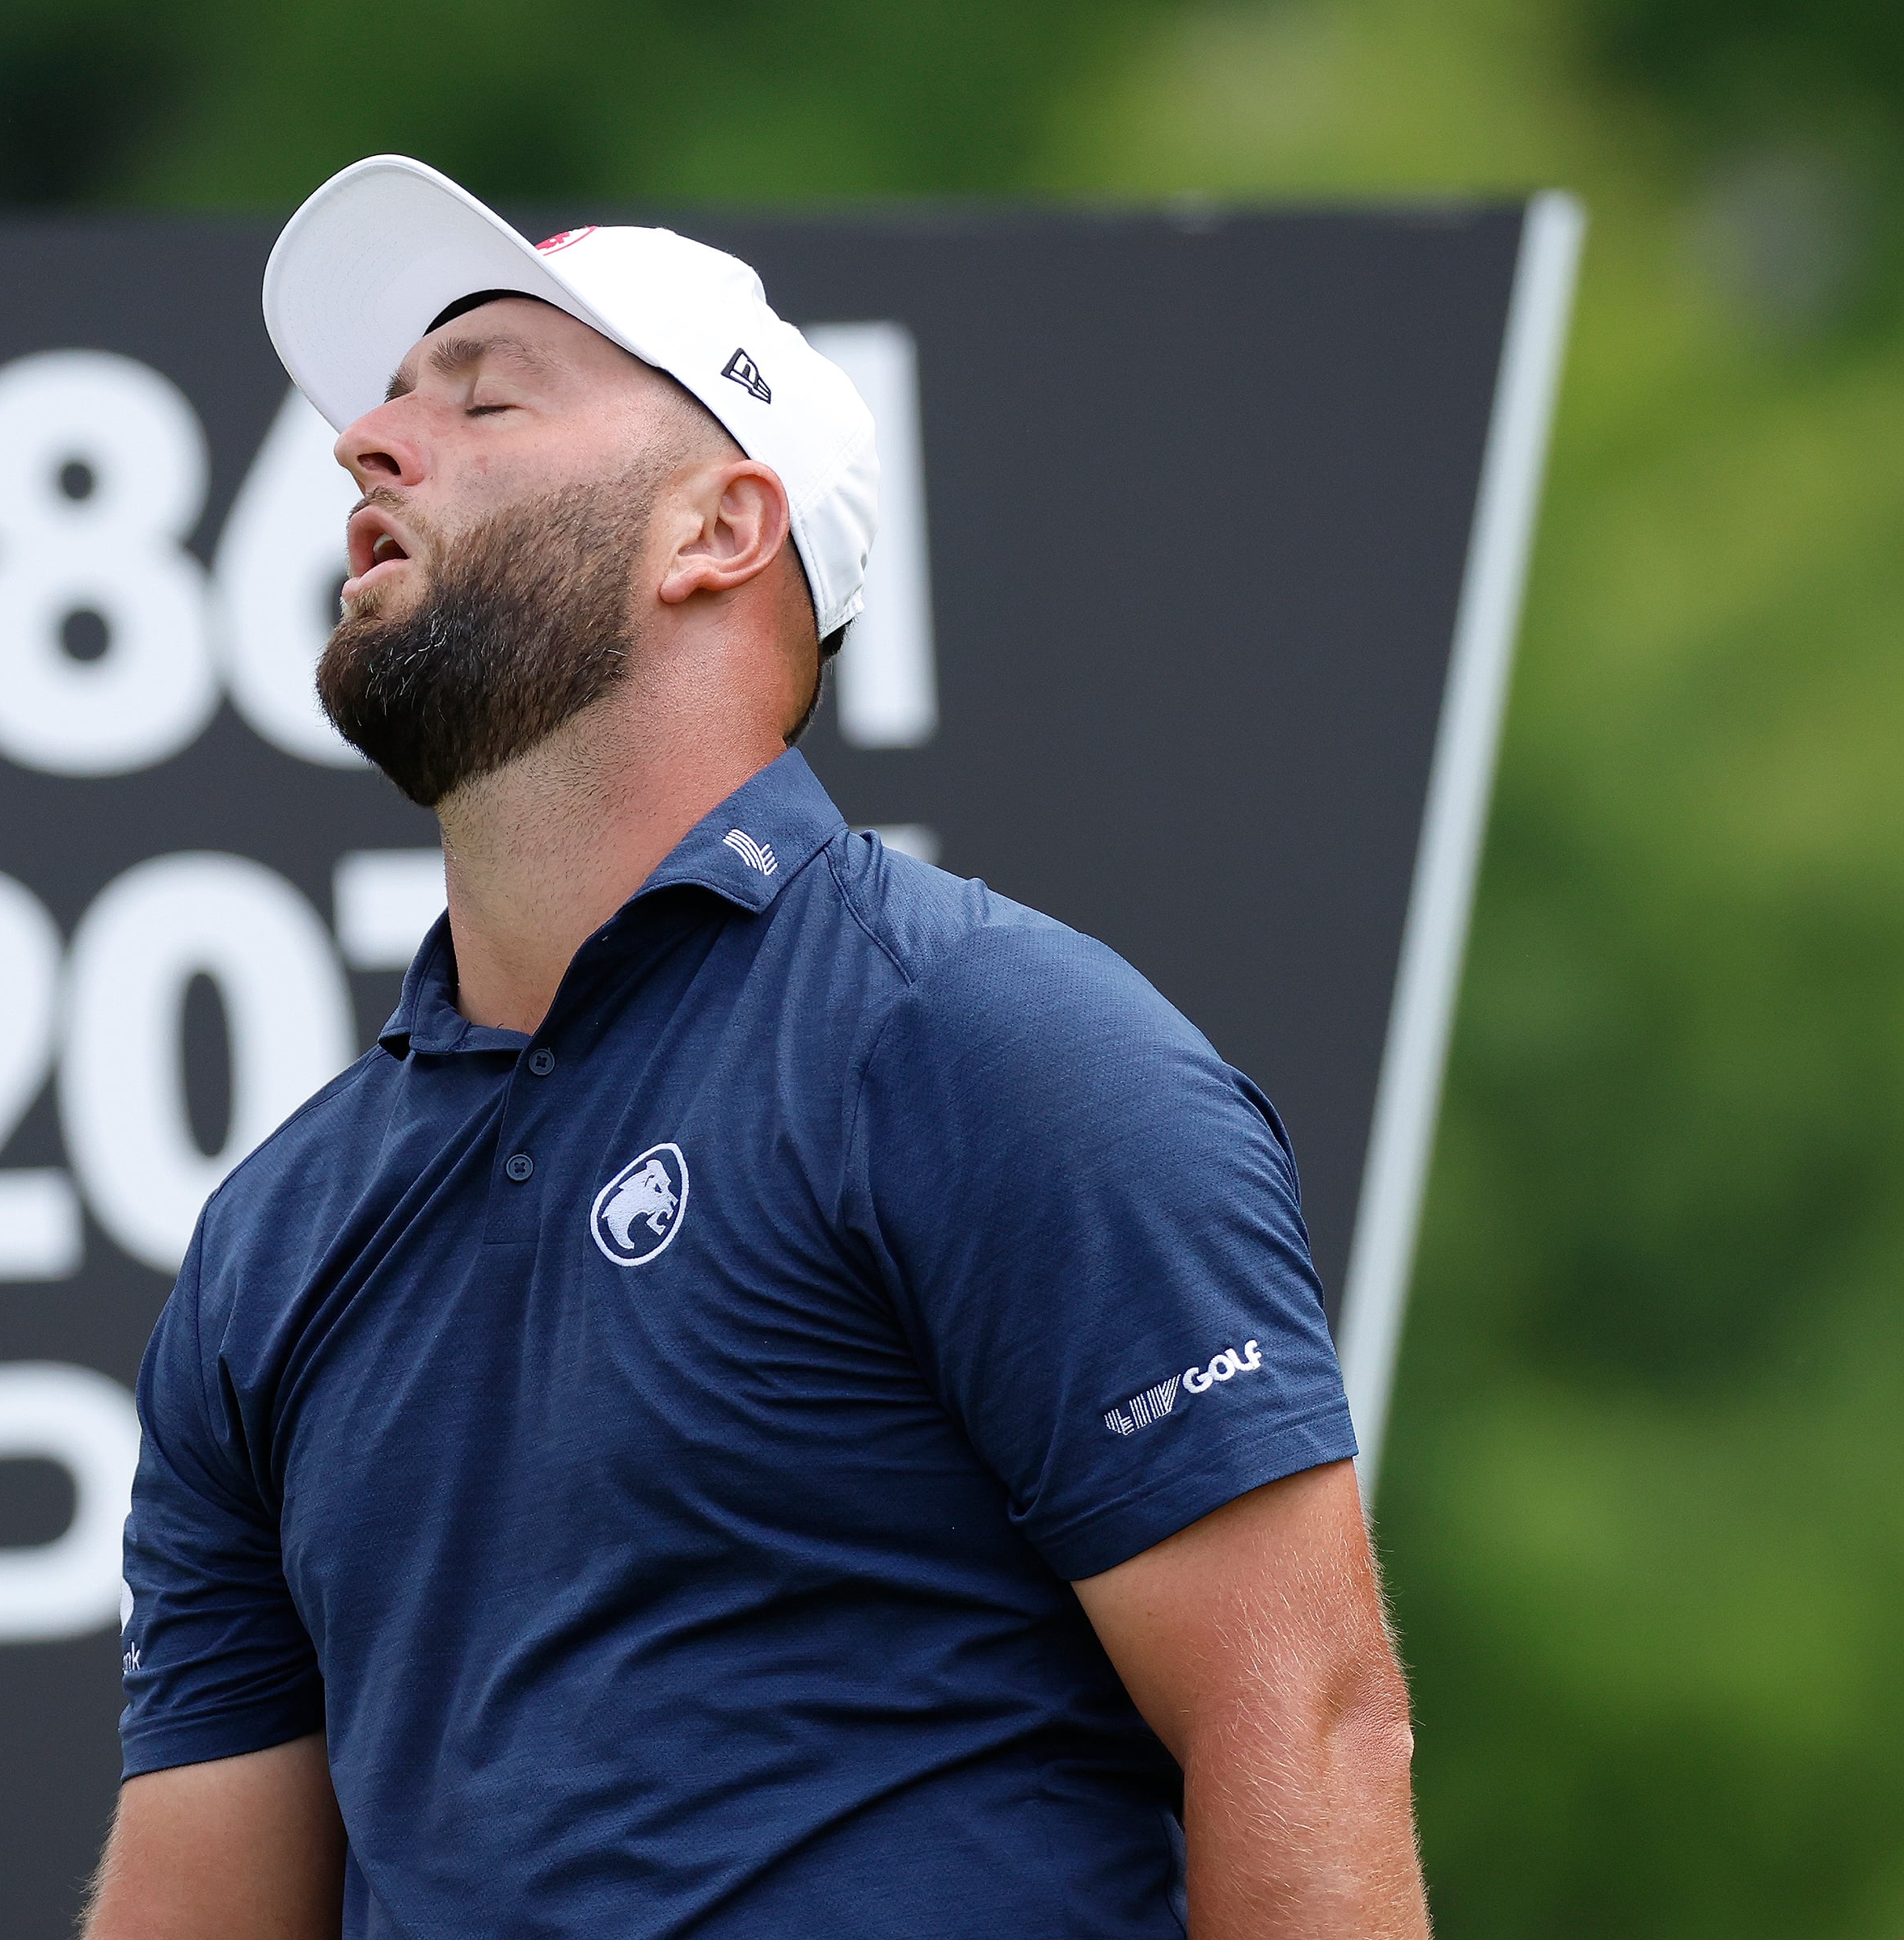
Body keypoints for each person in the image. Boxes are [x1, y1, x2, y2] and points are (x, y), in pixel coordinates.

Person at [82, 154, 1428, 1938]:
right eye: (388, 404)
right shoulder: (270, 1238)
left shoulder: (989, 1048)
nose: (370, 446)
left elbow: (1312, 1738)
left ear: (717, 527)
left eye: (482, 394)